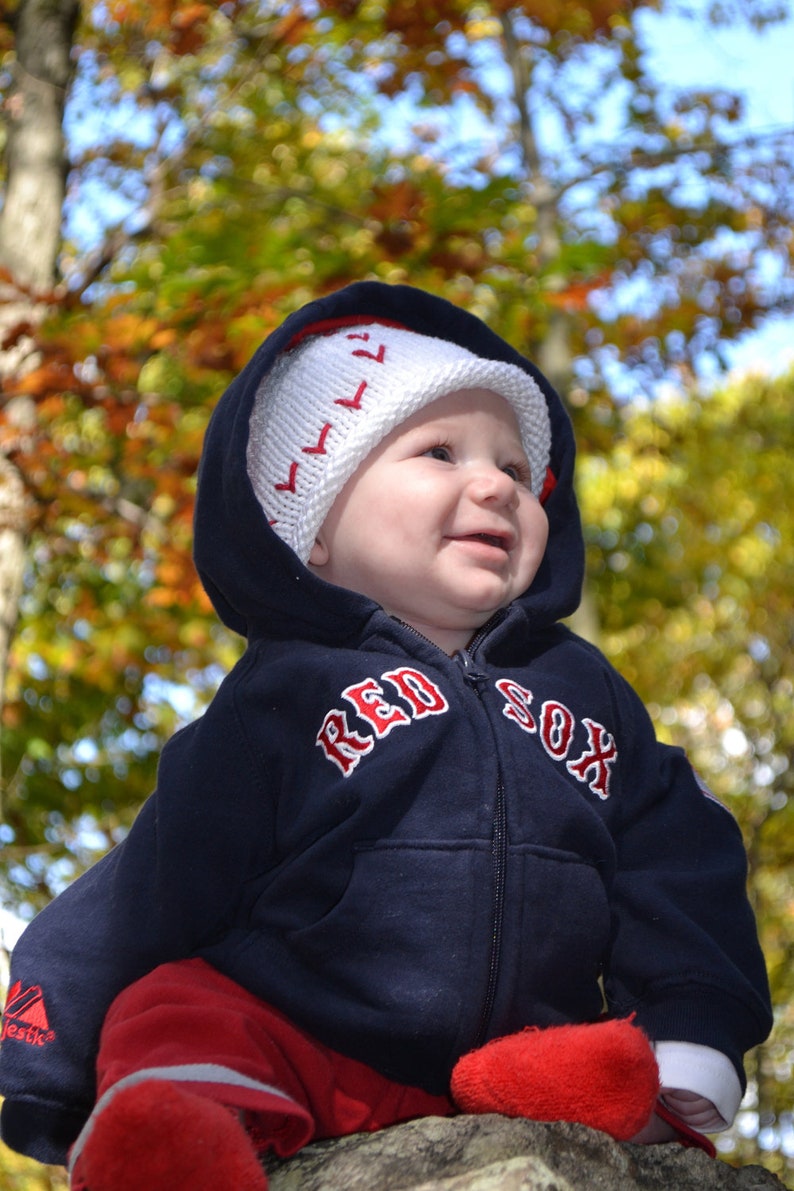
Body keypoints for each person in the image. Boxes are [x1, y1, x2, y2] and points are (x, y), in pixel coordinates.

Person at [0, 282, 772, 1190]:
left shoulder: (585, 689)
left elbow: (677, 851)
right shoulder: (290, 690)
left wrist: (693, 1018)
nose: (496, 483)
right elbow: (166, 866)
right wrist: (45, 1043)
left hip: (519, 1051)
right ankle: (174, 1139)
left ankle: (582, 1095)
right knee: (170, 1008)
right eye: (439, 451)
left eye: (516, 468)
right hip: (304, 1033)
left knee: (618, 1064)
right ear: (312, 528)